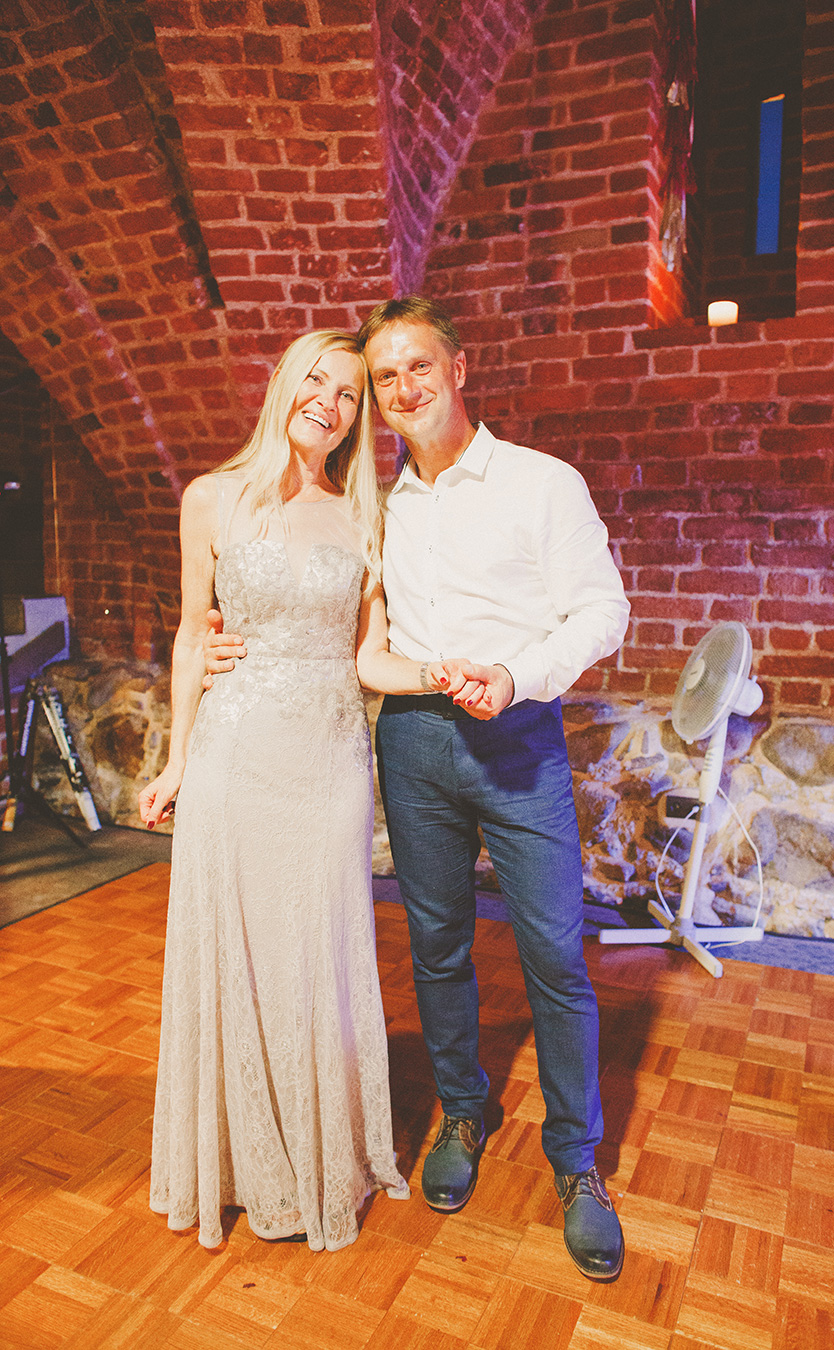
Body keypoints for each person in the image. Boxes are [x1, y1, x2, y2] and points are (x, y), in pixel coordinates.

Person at [205, 298, 631, 1280]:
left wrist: (515, 677)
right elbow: (323, 604)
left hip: (518, 741)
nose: (402, 388)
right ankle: (464, 1113)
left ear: (459, 367)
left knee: (553, 955)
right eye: (384, 377)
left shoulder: (541, 483)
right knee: (436, 947)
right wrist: (226, 639)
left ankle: (576, 1161)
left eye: (417, 366)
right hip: (414, 743)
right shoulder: (376, 505)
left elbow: (603, 611)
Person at [138, 328, 487, 1251]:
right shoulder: (211, 498)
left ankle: (317, 1153)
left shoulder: (365, 517)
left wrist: (442, 672)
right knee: (239, 955)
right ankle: (242, 1162)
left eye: (348, 397)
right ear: (284, 384)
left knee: (317, 956)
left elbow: (370, 658)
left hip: (329, 764)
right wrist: (176, 761)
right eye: (317, 384)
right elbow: (192, 635)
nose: (329, 406)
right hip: (233, 754)